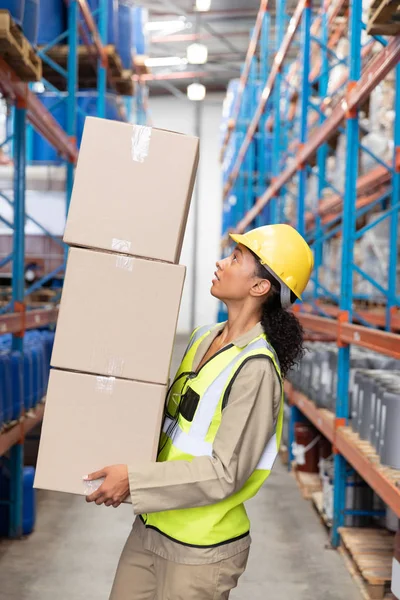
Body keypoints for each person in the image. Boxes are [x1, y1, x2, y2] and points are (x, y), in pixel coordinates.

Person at [85, 224, 314, 600]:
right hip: (152, 526)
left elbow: (226, 474)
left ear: (259, 287)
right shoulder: (204, 337)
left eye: (236, 258)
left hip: (200, 550)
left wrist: (135, 480)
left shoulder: (255, 368)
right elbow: (170, 421)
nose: (221, 263)